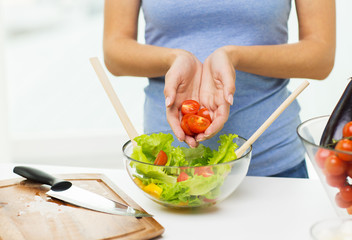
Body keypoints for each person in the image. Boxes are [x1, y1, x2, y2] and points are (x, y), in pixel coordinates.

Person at [102, 0, 336, 178]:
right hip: (168, 168)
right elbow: (115, 51)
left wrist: (235, 56)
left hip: (273, 166)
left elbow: (320, 57)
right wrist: (173, 58)